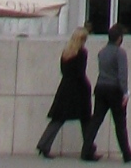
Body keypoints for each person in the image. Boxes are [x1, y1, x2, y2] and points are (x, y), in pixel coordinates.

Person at [36, 25, 96, 160]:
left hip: (65, 88)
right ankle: (88, 149)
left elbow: (63, 71)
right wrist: (87, 87)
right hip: (78, 90)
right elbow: (80, 73)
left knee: (58, 118)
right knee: (85, 119)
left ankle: (44, 144)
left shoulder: (66, 53)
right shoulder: (82, 53)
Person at [90, 23, 131, 159]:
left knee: (96, 120)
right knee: (120, 123)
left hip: (101, 87)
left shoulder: (102, 52)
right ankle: (126, 153)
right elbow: (122, 74)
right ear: (119, 38)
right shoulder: (120, 53)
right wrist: (125, 92)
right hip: (114, 89)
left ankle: (86, 149)